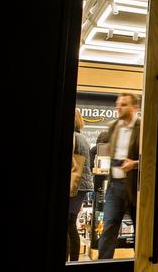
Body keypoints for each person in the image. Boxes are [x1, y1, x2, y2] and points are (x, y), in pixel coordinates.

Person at [98, 93, 141, 259]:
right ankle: (102, 264)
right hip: (115, 186)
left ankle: (143, 265)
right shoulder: (113, 126)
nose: (118, 107)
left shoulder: (142, 127)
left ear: (134, 107)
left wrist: (135, 164)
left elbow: (153, 158)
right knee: (109, 227)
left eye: (123, 104)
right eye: (118, 103)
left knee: (141, 230)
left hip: (136, 187)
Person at [68, 108, 92, 262]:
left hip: (75, 185)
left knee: (68, 224)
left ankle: (70, 260)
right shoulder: (82, 138)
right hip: (82, 186)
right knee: (71, 224)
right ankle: (74, 260)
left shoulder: (73, 137)